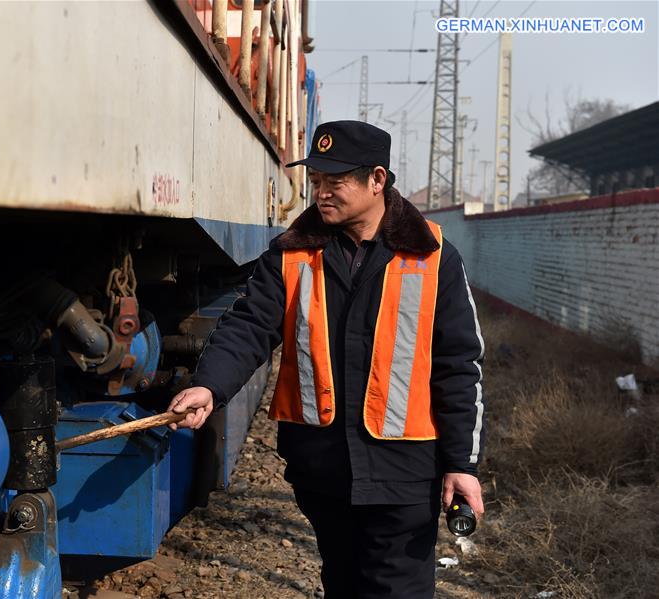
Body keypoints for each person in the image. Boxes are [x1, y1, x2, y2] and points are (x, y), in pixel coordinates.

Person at [167, 120, 485, 598]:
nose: (321, 193)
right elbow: (250, 324)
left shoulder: (433, 256)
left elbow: (458, 366)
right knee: (341, 581)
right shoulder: (294, 252)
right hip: (323, 470)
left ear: (377, 180)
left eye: (335, 182)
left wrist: (462, 464)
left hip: (404, 471)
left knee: (397, 589)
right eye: (316, 182)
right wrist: (210, 385)